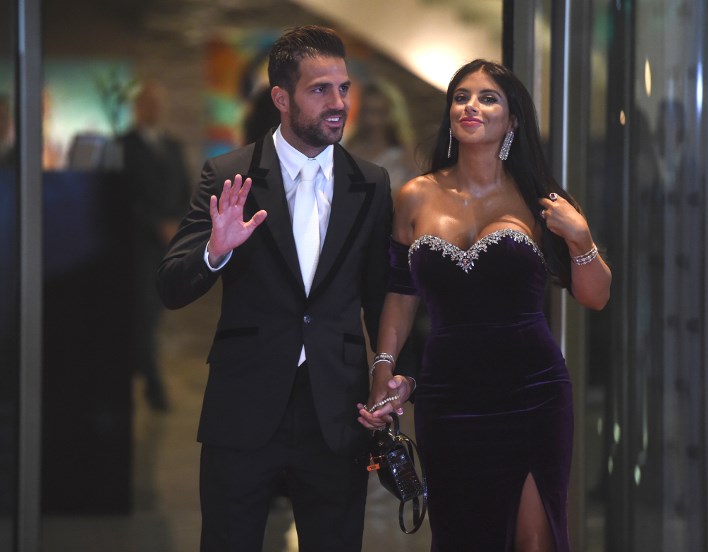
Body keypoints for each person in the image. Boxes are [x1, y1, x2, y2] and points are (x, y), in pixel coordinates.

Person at [357, 59, 612, 551]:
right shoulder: (415, 196)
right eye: (461, 97)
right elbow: (400, 292)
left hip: (534, 392)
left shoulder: (541, 200)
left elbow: (595, 296)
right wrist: (383, 369)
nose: (470, 106)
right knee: (462, 538)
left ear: (512, 120)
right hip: (449, 398)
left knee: (534, 541)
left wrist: (581, 238)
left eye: (487, 97)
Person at [156, 26, 395, 551]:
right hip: (243, 407)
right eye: (320, 90)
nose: (339, 103)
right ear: (281, 98)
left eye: (344, 88)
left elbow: (383, 296)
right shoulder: (228, 175)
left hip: (336, 411)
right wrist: (215, 252)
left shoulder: (372, 183)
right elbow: (171, 285)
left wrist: (393, 372)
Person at [119, 80, 192, 412]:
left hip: (170, 245)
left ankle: (143, 374)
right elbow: (122, 197)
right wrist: (156, 224)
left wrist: (177, 223)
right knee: (144, 316)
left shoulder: (172, 146)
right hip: (138, 246)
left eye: (159, 103)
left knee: (156, 314)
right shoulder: (123, 146)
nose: (155, 109)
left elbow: (185, 189)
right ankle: (152, 384)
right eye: (149, 103)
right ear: (138, 107)